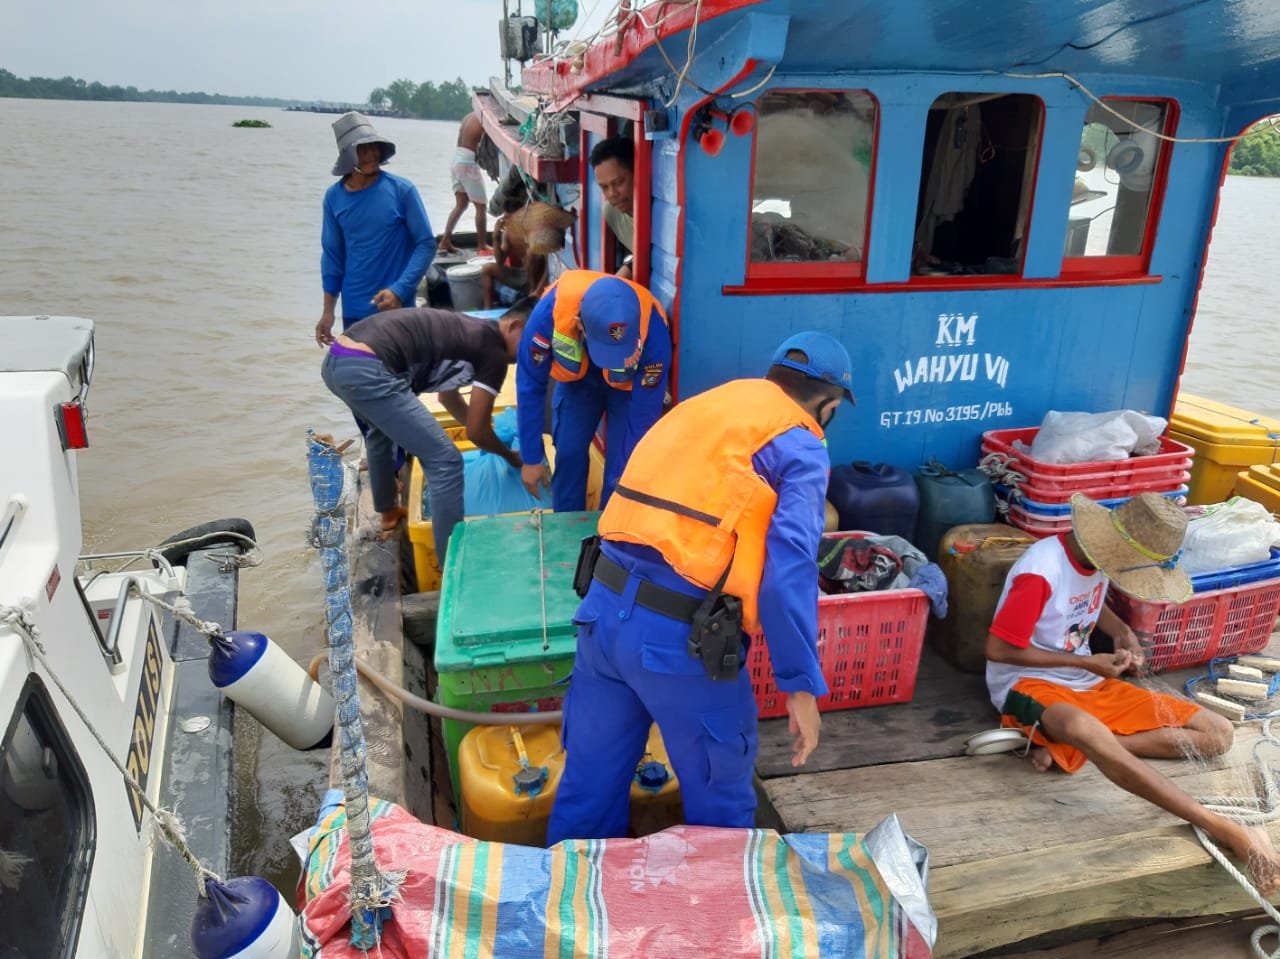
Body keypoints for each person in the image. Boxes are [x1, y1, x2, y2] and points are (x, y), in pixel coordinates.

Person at [545, 332, 856, 843]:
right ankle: (716, 917)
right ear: (827, 406)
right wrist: (800, 685)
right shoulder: (800, 443)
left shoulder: (702, 407)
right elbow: (789, 572)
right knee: (721, 799)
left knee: (588, 786)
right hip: (678, 644)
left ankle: (567, 908)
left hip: (600, 617)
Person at [985, 492, 1280, 894]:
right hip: (1027, 683)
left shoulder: (1097, 558)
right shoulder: (1041, 570)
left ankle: (1080, 748)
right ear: (1110, 546)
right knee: (1081, 726)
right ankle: (1228, 830)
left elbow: (1086, 605)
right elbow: (998, 649)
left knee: (1216, 735)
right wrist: (1086, 663)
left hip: (1087, 683)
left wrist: (1121, 632)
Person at [320, 305, 529, 568]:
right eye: (531, 346)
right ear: (515, 326)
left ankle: (388, 513)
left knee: (380, 432)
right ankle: (452, 566)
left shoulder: (472, 330)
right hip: (367, 366)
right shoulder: (494, 351)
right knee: (446, 461)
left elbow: (449, 399)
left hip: (337, 360)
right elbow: (476, 432)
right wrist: (510, 456)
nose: (530, 357)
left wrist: (489, 435)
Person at [514, 270, 670, 512]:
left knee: (623, 471)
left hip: (626, 392)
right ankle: (565, 531)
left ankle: (608, 539)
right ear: (580, 326)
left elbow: (645, 411)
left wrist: (629, 473)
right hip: (579, 385)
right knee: (568, 453)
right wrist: (531, 458)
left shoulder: (654, 331)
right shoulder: (548, 316)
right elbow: (529, 385)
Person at [317, 112, 436, 347]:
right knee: (359, 378)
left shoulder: (402, 190)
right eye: (363, 149)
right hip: (354, 311)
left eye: (375, 147)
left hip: (396, 307)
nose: (372, 154)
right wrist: (328, 312)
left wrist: (400, 290)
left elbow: (426, 244)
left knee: (398, 377)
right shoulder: (334, 198)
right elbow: (332, 257)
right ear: (348, 156)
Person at [440, 113, 492, 255]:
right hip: (468, 162)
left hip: (457, 160)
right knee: (481, 207)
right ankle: (482, 245)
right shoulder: (486, 118)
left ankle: (445, 241)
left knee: (461, 205)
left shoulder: (468, 117)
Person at [481, 205, 549, 309]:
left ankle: (532, 292)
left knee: (531, 252)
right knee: (487, 269)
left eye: (509, 218)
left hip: (538, 280)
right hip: (522, 275)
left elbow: (549, 267)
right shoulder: (508, 234)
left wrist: (538, 291)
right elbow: (500, 262)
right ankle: (487, 310)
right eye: (505, 218)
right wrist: (495, 237)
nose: (506, 222)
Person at [589, 136, 635, 278]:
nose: (612, 194)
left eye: (619, 182)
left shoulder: (659, 212)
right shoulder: (611, 212)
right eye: (604, 187)